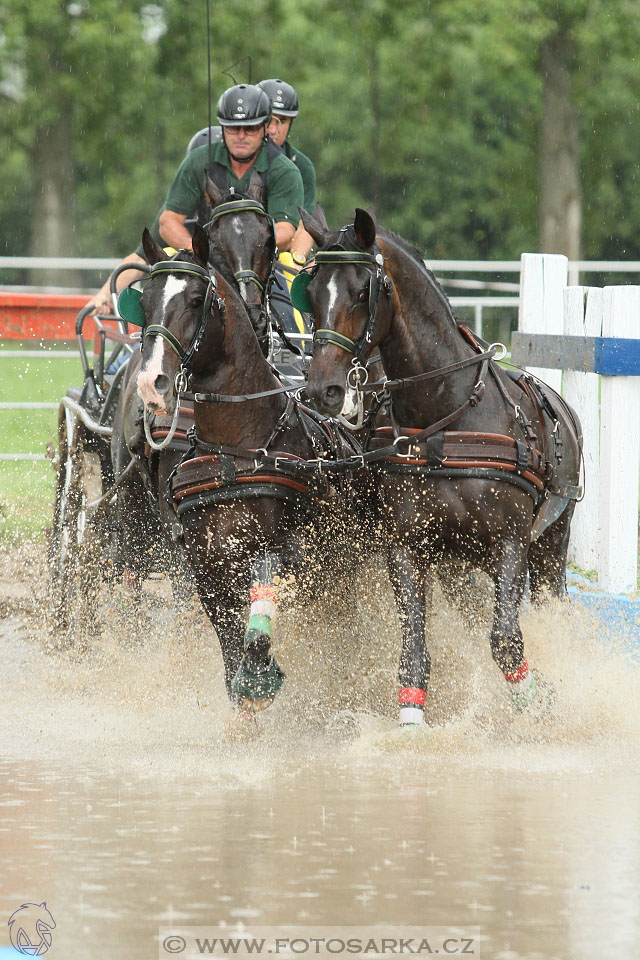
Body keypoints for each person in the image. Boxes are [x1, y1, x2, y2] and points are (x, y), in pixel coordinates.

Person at [158, 83, 303, 255]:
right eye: (233, 128)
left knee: (290, 268)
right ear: (222, 127)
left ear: (265, 128)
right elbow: (168, 221)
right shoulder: (199, 160)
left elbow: (285, 231)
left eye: (250, 128)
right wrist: (194, 246)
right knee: (167, 260)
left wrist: (245, 247)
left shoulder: (284, 170)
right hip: (208, 256)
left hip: (264, 257)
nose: (241, 136)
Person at [258, 78, 316, 265]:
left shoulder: (302, 166)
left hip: (281, 253)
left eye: (282, 121)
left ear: (291, 123)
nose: (273, 129)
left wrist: (296, 262)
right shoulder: (235, 157)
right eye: (268, 120)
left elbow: (305, 225)